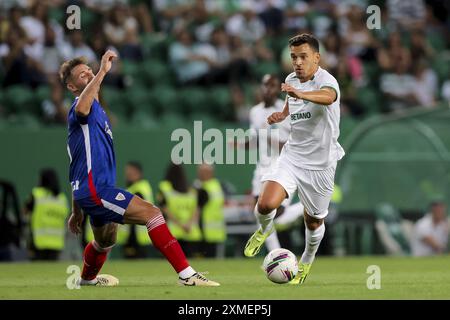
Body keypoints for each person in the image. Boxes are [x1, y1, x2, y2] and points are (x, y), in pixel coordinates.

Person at [60, 51, 219, 286]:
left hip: (89, 191)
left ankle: (86, 280)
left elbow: (77, 166)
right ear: (73, 87)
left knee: (105, 240)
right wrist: (103, 71)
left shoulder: (97, 114)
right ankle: (187, 275)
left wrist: (77, 209)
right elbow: (83, 109)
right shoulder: (80, 109)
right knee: (153, 214)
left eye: (90, 71)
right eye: (83, 76)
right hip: (97, 190)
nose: (90, 75)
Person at [243, 34, 345, 285]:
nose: (297, 62)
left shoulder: (327, 81)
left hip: (321, 165)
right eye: (293, 57)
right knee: (265, 205)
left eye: (303, 57)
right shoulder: (291, 80)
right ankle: (264, 229)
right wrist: (282, 114)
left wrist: (299, 92)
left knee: (313, 222)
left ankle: (307, 260)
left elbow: (327, 97)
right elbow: (292, 100)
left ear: (316, 58)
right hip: (292, 156)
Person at [247, 74, 302, 252]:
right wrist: (241, 145)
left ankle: (303, 208)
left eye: (271, 86)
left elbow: (296, 142)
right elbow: (255, 139)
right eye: (265, 85)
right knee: (260, 212)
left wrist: (271, 139)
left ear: (278, 88)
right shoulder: (255, 111)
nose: (267, 89)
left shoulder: (286, 110)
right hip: (262, 166)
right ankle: (275, 254)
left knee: (277, 213)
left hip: (283, 166)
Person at [157, 163, 202, 258]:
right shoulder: (191, 190)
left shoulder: (165, 188)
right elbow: (196, 209)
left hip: (173, 231)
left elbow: (164, 209)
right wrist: (188, 224)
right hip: (191, 231)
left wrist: (180, 225)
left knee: (175, 261)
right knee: (192, 262)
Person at [24, 169, 69, 261]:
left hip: (38, 242)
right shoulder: (62, 198)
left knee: (36, 272)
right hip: (57, 243)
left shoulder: (36, 194)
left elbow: (25, 211)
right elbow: (67, 218)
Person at [122, 161, 155, 258]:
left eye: (130, 172)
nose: (127, 175)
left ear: (138, 173)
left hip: (136, 235)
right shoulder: (139, 187)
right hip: (137, 234)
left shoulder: (138, 189)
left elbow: (132, 210)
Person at [194, 164, 226, 258]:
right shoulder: (213, 185)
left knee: (209, 256)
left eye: (203, 172)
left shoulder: (209, 186)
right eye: (199, 171)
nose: (200, 174)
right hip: (202, 227)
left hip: (209, 227)